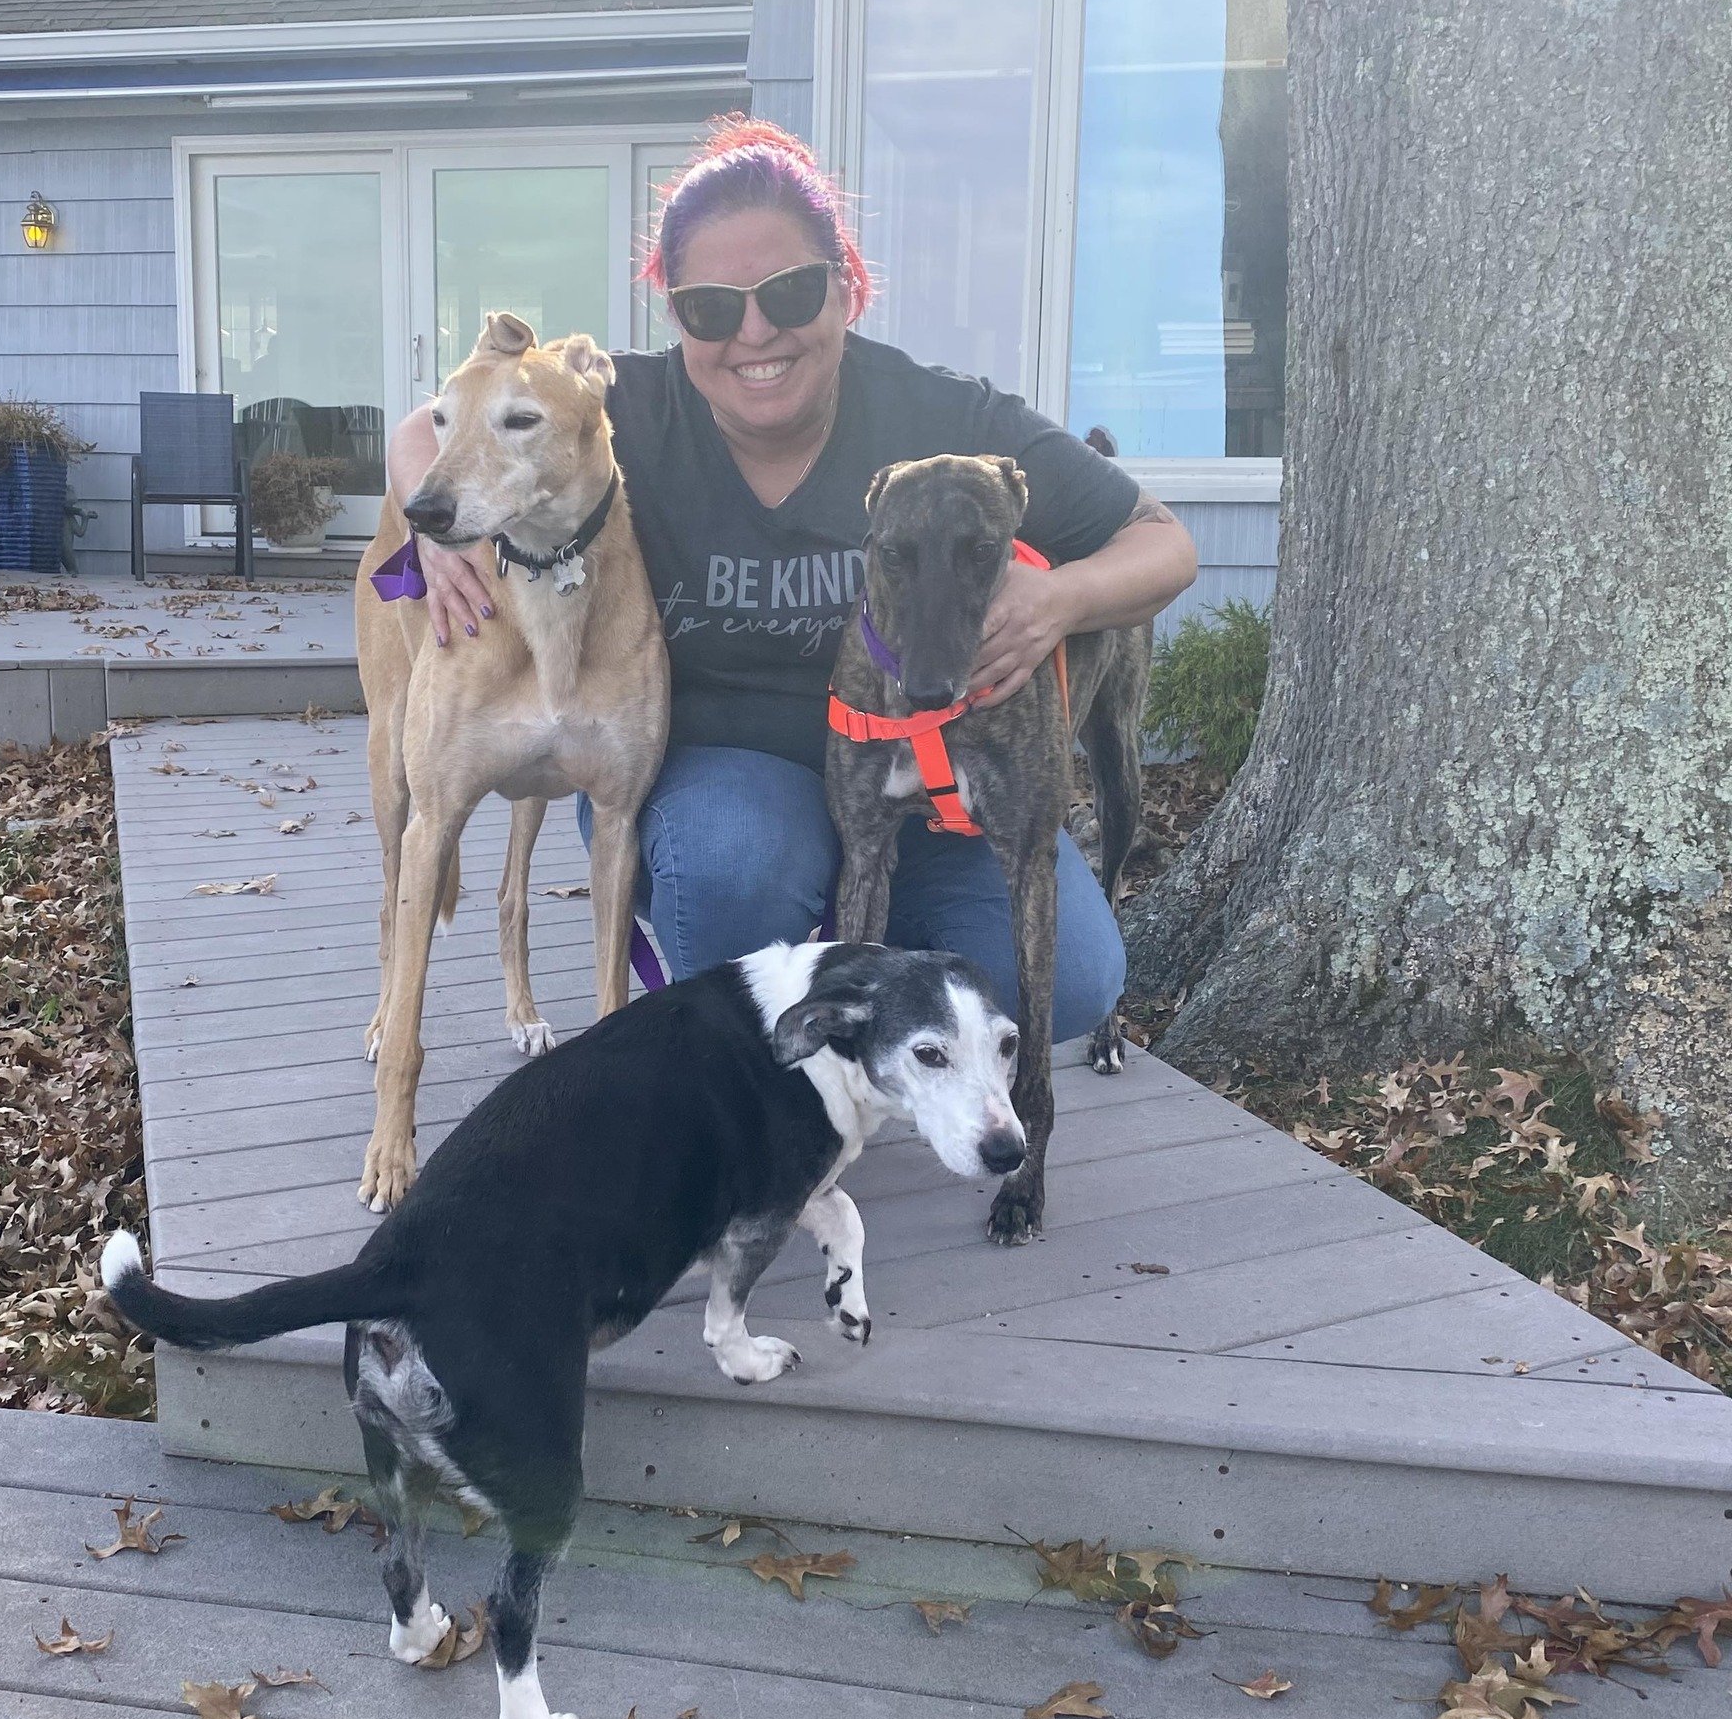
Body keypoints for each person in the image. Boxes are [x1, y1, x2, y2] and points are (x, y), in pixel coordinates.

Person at [381, 120, 1198, 1034]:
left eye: (793, 291)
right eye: (712, 308)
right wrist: (437, 527)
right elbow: (427, 428)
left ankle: (871, 985)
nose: (755, 332)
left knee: (1073, 980)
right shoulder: (625, 413)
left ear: (846, 286)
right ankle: (780, 1020)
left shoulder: (942, 416)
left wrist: (1060, 599)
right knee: (730, 876)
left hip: (928, 787)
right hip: (726, 780)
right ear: (676, 315)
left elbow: (1161, 543)